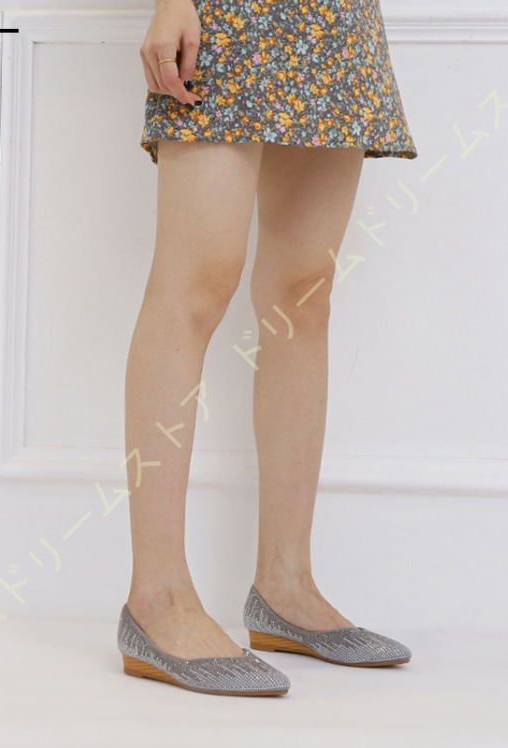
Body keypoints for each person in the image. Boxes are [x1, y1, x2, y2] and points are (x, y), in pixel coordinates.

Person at [117, 0, 418, 696]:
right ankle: (156, 597)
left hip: (336, 19)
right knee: (194, 288)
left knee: (302, 297)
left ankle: (286, 584)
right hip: (223, 15)